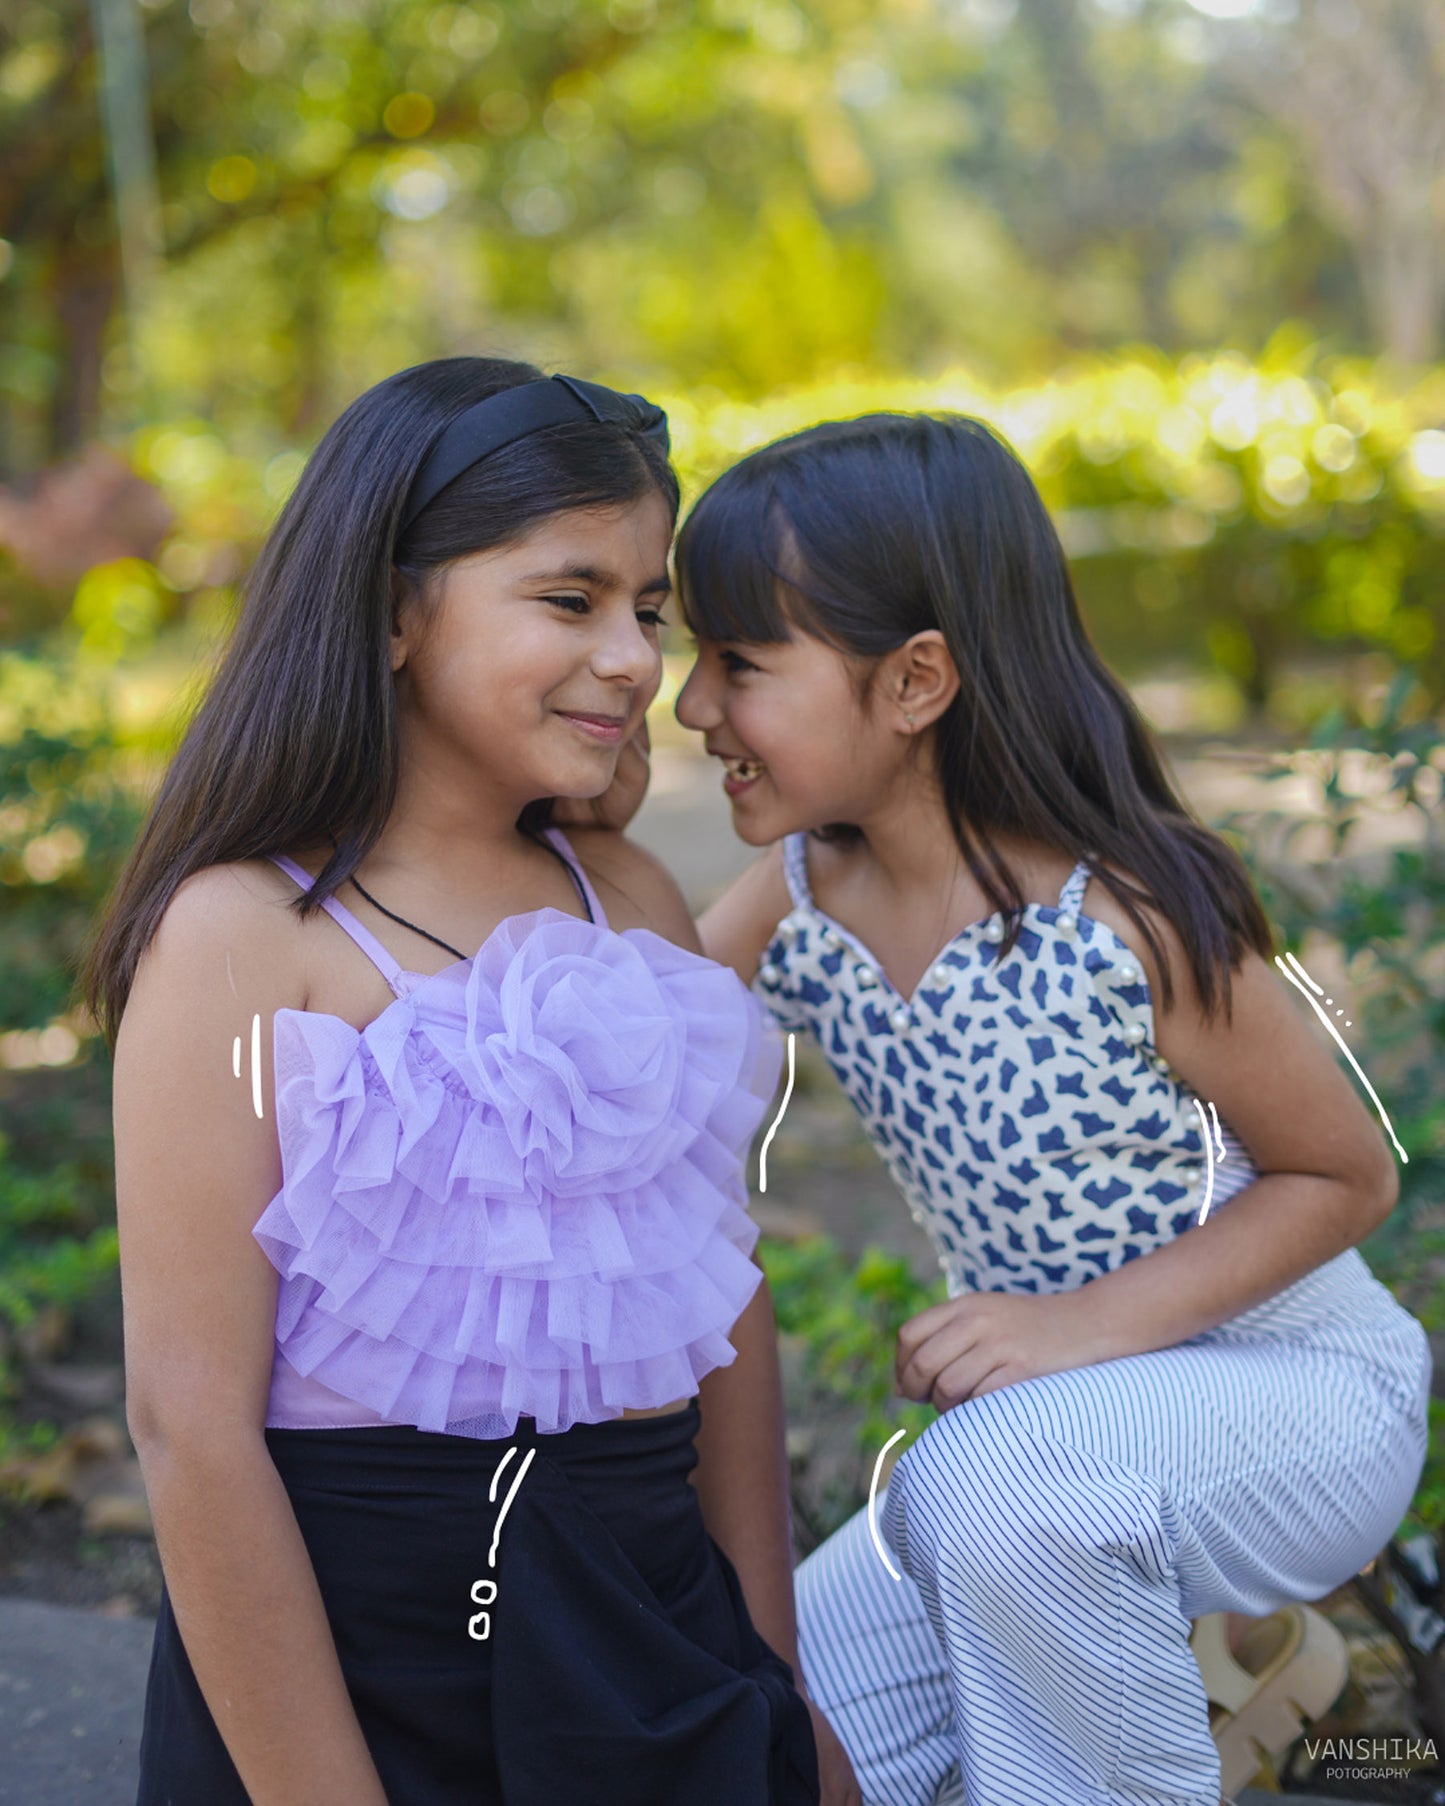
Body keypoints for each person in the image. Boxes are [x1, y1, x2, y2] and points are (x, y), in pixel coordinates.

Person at [596, 411, 1431, 1805]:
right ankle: (1228, 1685)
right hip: (1049, 1457)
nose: (690, 708)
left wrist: (1079, 1325)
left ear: (915, 679)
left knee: (983, 1485)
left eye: (739, 663)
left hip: (1298, 1399)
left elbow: (1345, 1176)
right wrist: (588, 808)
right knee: (752, 1720)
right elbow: (626, 1053)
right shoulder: (802, 900)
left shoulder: (1127, 909)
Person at [84, 357, 824, 1805]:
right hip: (358, 1683)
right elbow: (190, 1421)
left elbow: (723, 1317)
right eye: (568, 599)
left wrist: (774, 1683)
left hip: (651, 1650)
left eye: (647, 608)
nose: (630, 656)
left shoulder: (631, 903)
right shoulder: (246, 940)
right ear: (392, 611)